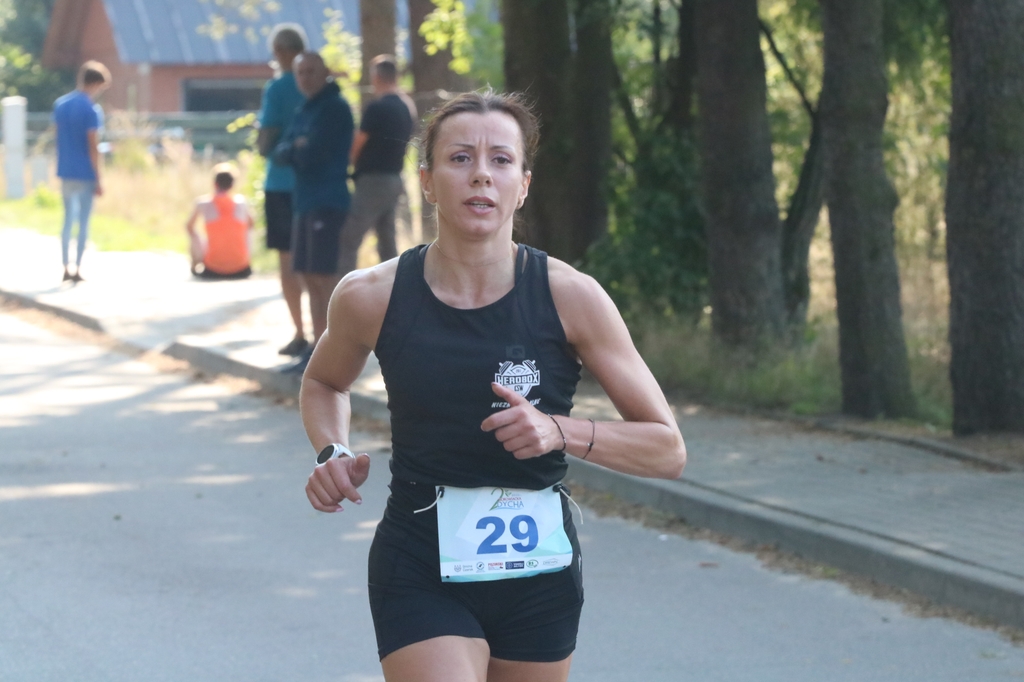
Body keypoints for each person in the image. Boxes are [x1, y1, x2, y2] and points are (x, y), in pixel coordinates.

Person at [302, 91, 687, 682]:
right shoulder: (371, 295)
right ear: (427, 182)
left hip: (540, 573)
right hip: (419, 560)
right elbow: (325, 381)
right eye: (460, 158)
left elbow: (667, 449)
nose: (481, 173)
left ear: (523, 185)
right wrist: (332, 449)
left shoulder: (572, 296)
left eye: (501, 160)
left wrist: (558, 431)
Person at [272, 51, 354, 373]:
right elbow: (280, 151)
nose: (305, 78)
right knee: (306, 274)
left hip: (327, 201)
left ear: (324, 72)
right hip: (303, 201)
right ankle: (315, 350)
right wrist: (297, 147)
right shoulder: (304, 108)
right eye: (300, 72)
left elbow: (315, 154)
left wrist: (298, 149)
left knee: (323, 277)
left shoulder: (334, 108)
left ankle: (333, 352)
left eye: (311, 71)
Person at [257, 24, 311, 356]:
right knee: (315, 263)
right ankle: (322, 333)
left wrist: (263, 143)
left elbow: (266, 137)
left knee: (289, 261)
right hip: (312, 184)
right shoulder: (318, 87)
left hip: (280, 183)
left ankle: (300, 331)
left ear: (283, 51)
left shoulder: (277, 88)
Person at [338, 54, 416, 277]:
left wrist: (349, 165)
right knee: (387, 241)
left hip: (373, 181)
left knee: (348, 238)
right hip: (395, 178)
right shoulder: (406, 107)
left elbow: (359, 142)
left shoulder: (377, 108)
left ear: (376, 77)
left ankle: (342, 288)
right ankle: (395, 286)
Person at [53, 60, 110, 283]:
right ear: (95, 83)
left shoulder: (60, 105)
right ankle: (77, 266)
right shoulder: (91, 110)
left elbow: (58, 138)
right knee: (83, 221)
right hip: (85, 172)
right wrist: (99, 178)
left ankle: (64, 265)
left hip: (66, 169)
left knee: (67, 219)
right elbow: (93, 146)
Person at [185, 163, 254, 280]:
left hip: (212, 269)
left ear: (214, 183)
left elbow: (189, 227)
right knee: (248, 230)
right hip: (242, 269)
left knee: (193, 232)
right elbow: (251, 224)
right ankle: (244, 258)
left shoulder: (203, 203)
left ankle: (194, 265)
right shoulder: (242, 203)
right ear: (232, 184)